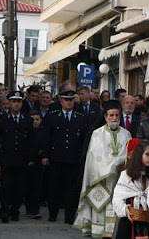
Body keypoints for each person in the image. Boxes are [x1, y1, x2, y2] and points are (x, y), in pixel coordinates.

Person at [74, 100, 132, 237]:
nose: (114, 118)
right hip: (100, 179)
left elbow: (129, 154)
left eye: (117, 115)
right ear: (105, 117)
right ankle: (99, 233)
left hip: (120, 179)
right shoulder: (97, 134)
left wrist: (122, 164)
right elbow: (97, 157)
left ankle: (115, 233)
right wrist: (115, 164)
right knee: (101, 208)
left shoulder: (126, 134)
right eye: (111, 115)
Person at [40, 88, 88, 224]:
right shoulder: (52, 116)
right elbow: (46, 138)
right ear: (60, 101)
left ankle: (69, 216)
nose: (68, 102)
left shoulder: (80, 117)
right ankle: (53, 214)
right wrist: (45, 155)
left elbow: (83, 139)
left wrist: (82, 157)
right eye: (66, 100)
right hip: (56, 158)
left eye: (71, 100)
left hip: (73, 159)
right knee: (54, 187)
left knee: (71, 189)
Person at [0, 91, 36, 222]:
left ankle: (15, 210)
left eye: (18, 102)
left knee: (20, 187)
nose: (16, 104)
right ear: (9, 103)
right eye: (13, 102)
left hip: (22, 159)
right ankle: (4, 210)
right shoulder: (2, 119)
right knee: (6, 186)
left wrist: (31, 159)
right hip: (7, 159)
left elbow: (32, 141)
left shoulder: (27, 120)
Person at [113, 140, 149, 239]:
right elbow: (117, 198)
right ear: (139, 155)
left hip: (148, 221)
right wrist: (124, 209)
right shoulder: (126, 175)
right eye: (147, 154)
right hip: (129, 221)